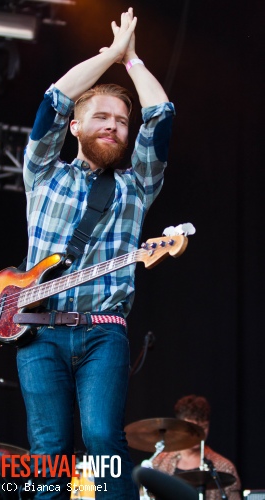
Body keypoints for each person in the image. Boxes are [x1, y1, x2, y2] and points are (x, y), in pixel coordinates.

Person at [17, 7, 175, 499]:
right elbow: (54, 100)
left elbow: (162, 116)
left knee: (104, 440)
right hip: (38, 332)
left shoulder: (136, 186)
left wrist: (132, 62)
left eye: (122, 122)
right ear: (75, 128)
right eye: (102, 117)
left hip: (103, 334)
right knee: (48, 447)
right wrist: (108, 54)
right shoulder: (44, 172)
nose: (114, 127)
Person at [152, 395, 241, 499]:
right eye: (192, 428)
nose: (198, 434)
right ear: (179, 426)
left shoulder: (225, 467)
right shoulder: (159, 463)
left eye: (203, 427)